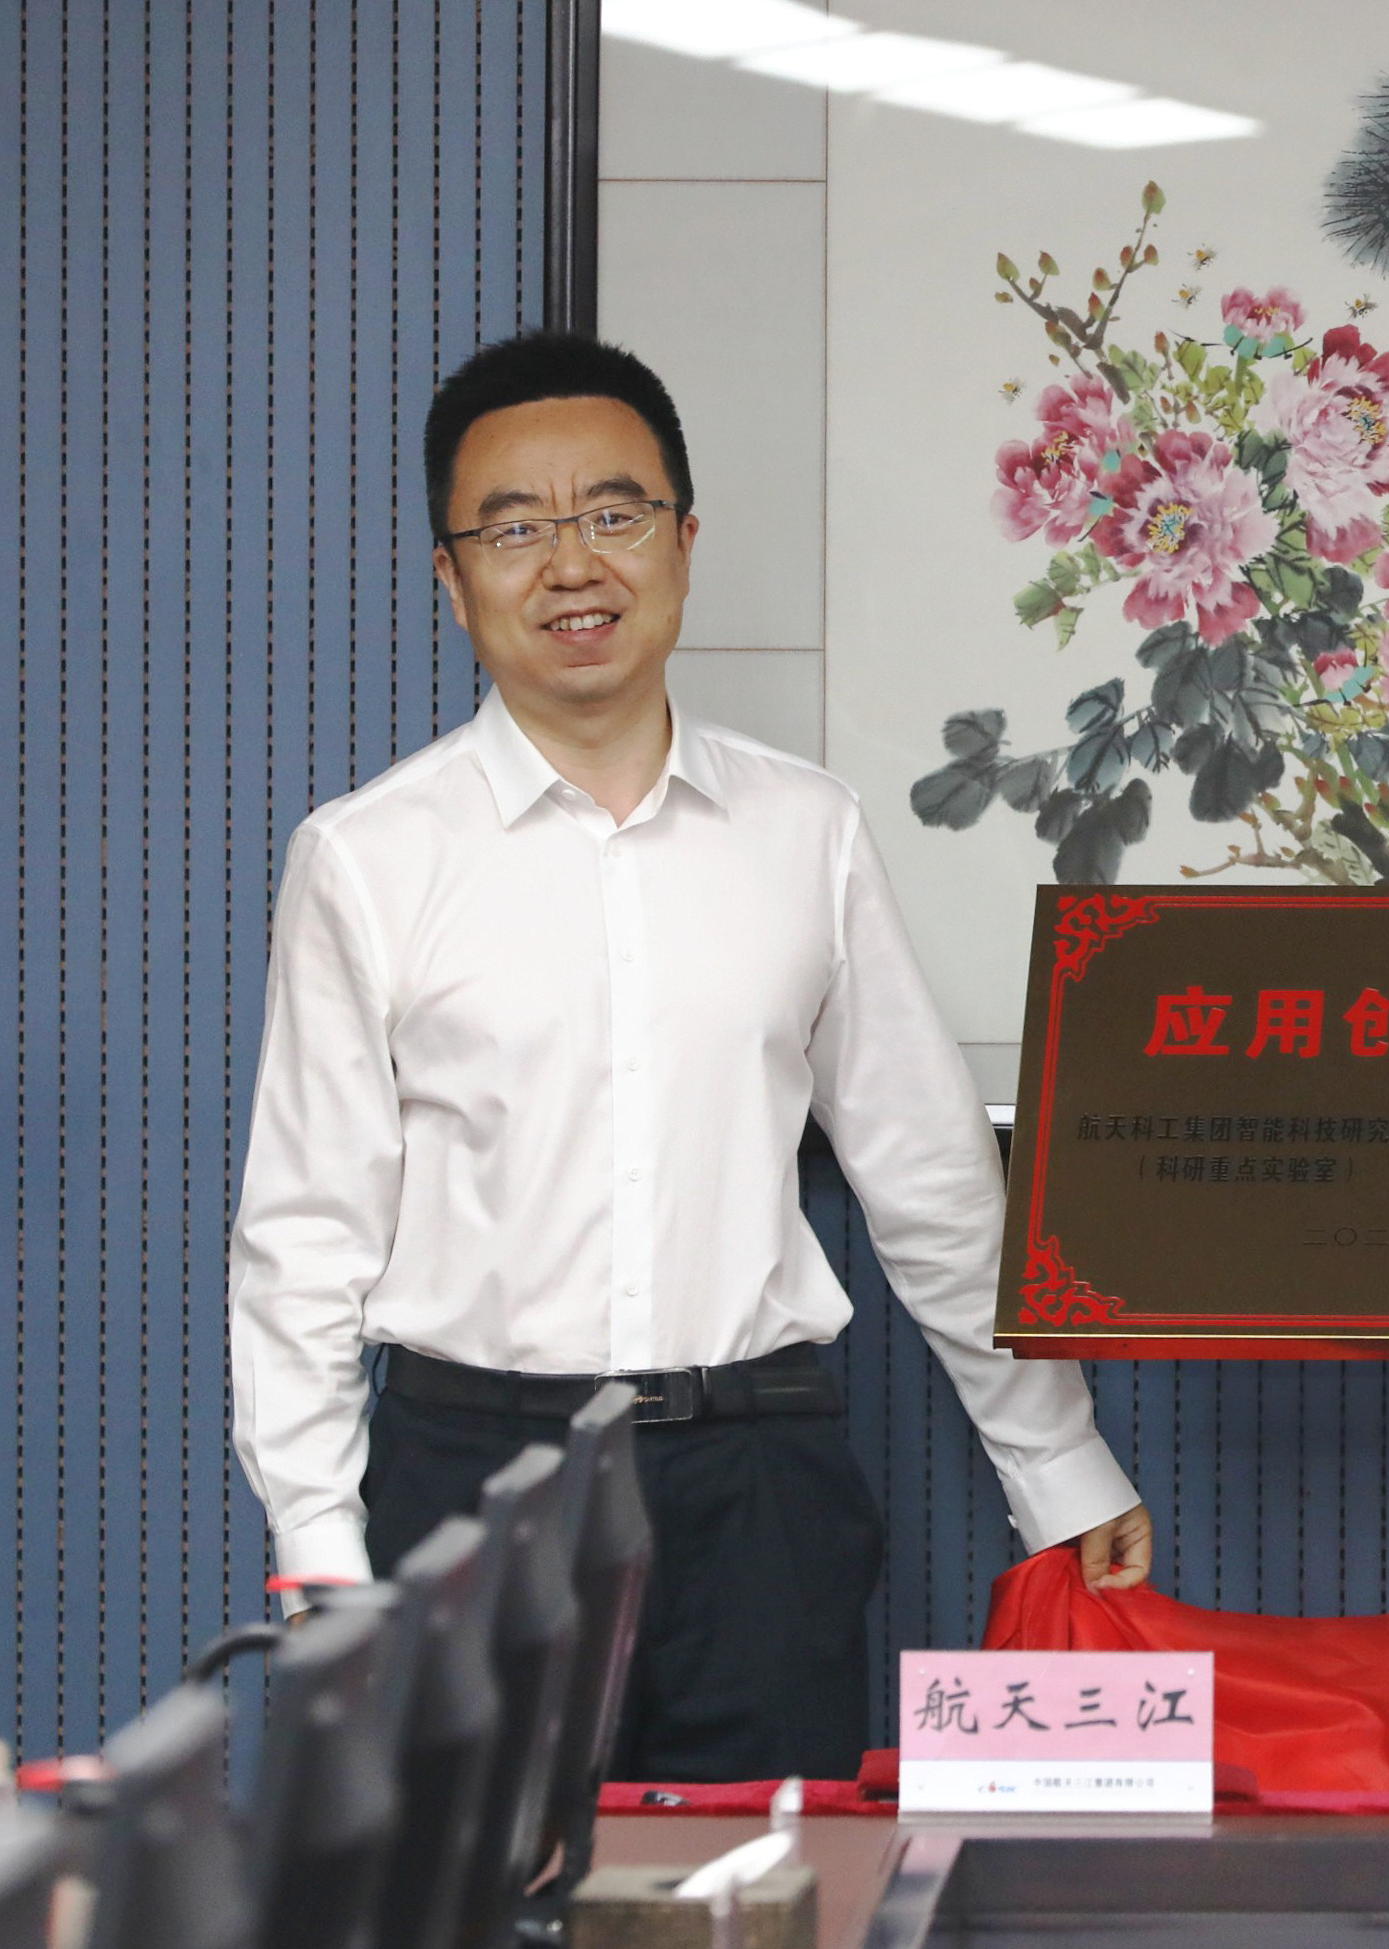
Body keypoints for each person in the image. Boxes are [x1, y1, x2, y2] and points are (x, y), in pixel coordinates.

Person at [229, 332, 1153, 1781]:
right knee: (473, 1889)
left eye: (614, 512)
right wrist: (320, 1553)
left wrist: (1058, 1461)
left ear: (683, 541)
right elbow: (304, 1236)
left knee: (771, 1880)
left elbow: (928, 1176)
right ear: (452, 580)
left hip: (756, 1486)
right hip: (471, 1483)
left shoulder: (806, 831)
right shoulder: (367, 857)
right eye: (514, 529)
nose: (572, 563)